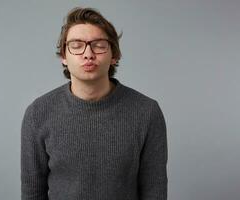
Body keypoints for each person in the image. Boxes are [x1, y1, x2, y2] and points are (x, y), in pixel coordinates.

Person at [21, 7, 168, 200]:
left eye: (99, 45)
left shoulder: (147, 112)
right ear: (63, 57)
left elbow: (154, 191)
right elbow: (32, 193)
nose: (88, 54)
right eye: (76, 45)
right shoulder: (38, 113)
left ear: (114, 56)